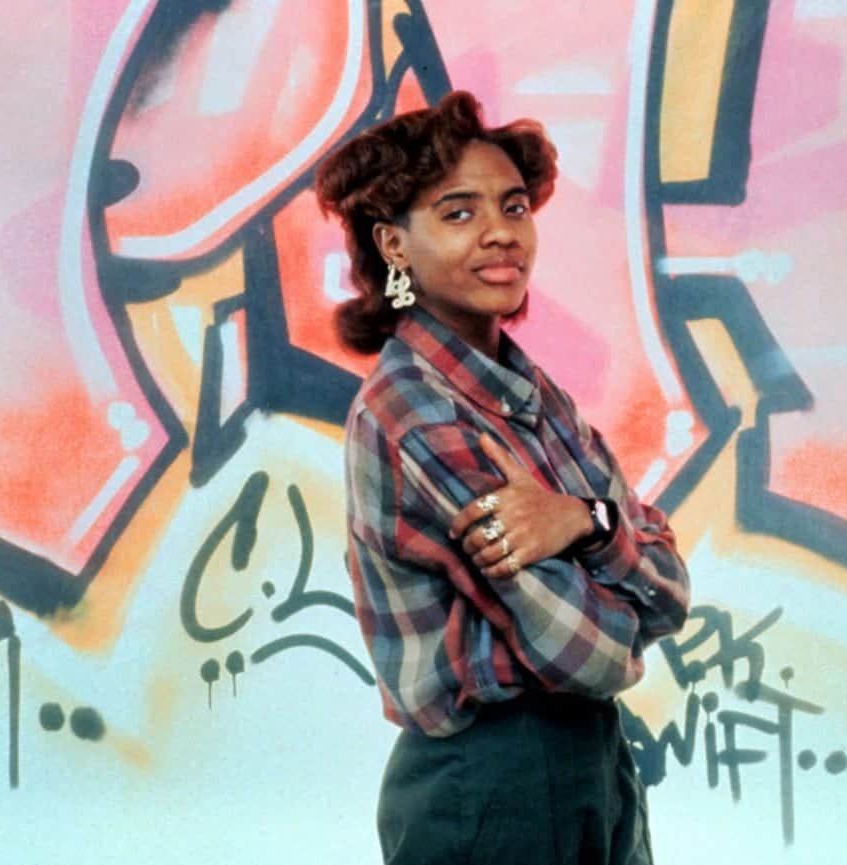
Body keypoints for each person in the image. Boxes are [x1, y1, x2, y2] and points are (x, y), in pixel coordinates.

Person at [315, 90, 691, 865]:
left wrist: (582, 518)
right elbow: (587, 652)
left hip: (594, 762)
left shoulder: (531, 393)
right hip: (491, 784)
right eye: (458, 212)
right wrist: (620, 560)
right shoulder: (415, 415)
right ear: (394, 243)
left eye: (513, 206)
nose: (500, 232)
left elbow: (671, 588)